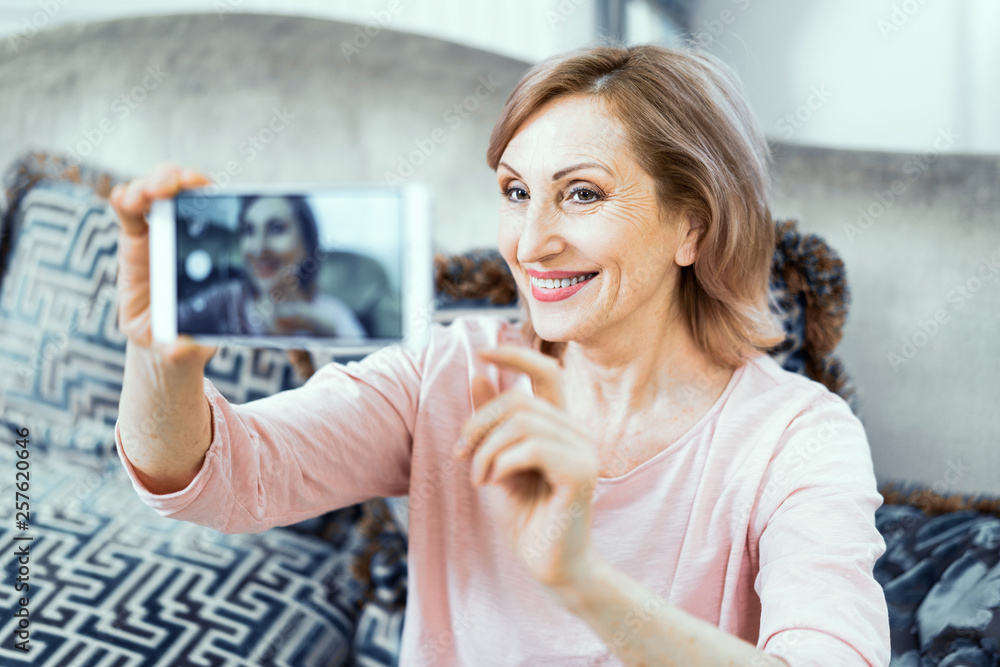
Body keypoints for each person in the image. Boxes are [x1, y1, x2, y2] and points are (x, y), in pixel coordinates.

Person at [111, 44, 889, 666]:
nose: (532, 240)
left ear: (693, 225)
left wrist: (580, 580)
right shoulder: (451, 372)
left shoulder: (798, 437)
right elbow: (218, 479)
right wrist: (159, 360)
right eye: (517, 192)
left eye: (581, 194)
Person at [177, 194, 367, 338]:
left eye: (276, 228)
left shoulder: (333, 315)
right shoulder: (225, 300)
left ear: (307, 244)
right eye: (249, 230)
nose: (259, 249)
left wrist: (327, 335)